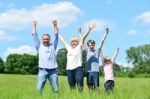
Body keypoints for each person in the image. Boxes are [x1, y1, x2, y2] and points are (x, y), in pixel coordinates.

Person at [58, 23, 95, 91]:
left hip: (78, 69)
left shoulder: (79, 47)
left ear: (78, 42)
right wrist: (57, 31)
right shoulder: (68, 48)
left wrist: (89, 30)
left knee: (80, 85)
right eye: (72, 41)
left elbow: (84, 38)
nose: (74, 42)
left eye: (76, 41)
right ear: (71, 42)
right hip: (69, 70)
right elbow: (62, 40)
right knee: (72, 87)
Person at [32, 20, 59, 94]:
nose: (46, 40)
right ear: (42, 39)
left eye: (47, 39)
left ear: (49, 39)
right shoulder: (39, 46)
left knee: (56, 89)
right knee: (38, 90)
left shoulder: (53, 46)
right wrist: (34, 26)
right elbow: (35, 36)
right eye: (44, 39)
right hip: (42, 70)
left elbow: (56, 35)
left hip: (53, 71)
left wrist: (55, 25)